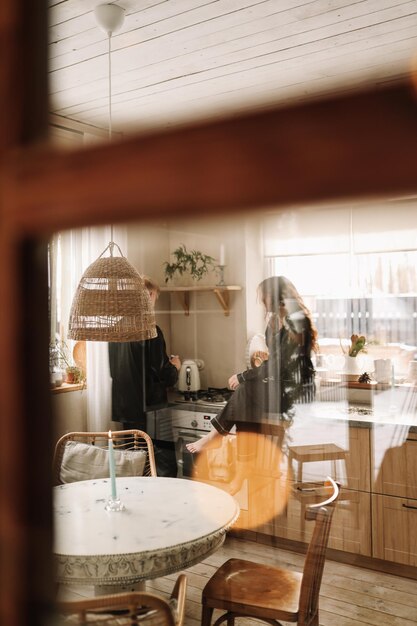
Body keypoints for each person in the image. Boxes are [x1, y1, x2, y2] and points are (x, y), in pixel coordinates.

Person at [186, 276, 318, 491]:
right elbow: (274, 359)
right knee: (245, 405)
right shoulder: (280, 320)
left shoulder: (296, 320)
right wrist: (273, 330)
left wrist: (243, 376)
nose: (262, 300)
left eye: (264, 296)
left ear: (274, 296)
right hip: (283, 389)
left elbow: (278, 365)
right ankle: (243, 466)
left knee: (246, 390)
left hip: (295, 394)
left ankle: (217, 439)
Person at [108, 277, 181, 476]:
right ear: (148, 295)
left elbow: (114, 371)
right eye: (155, 297)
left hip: (125, 409)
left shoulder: (116, 329)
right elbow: (165, 375)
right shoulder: (151, 330)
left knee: (134, 467)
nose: (154, 302)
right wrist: (176, 366)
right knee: (162, 467)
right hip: (151, 410)